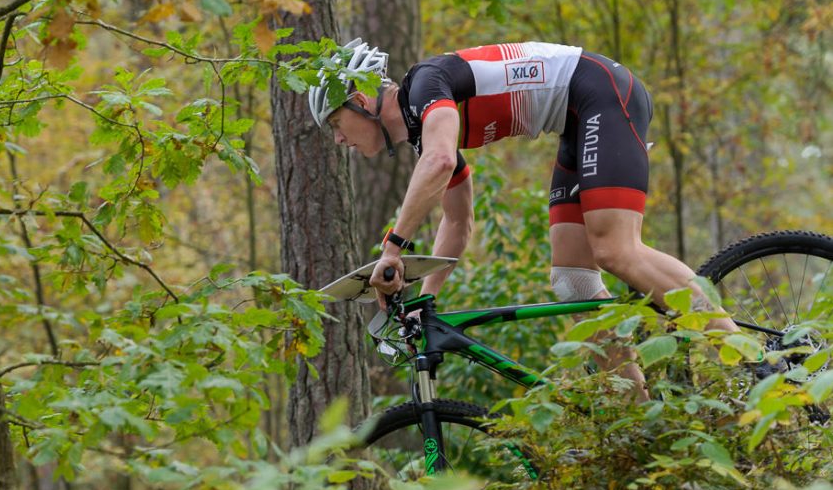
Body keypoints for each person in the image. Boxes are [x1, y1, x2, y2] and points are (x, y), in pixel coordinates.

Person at [307, 38, 738, 399]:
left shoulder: (424, 86)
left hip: (601, 93)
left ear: (360, 101)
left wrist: (393, 248)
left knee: (615, 250)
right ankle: (637, 412)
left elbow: (439, 162)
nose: (339, 138)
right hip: (576, 119)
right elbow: (458, 223)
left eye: (335, 124)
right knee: (574, 282)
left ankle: (746, 362)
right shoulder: (427, 129)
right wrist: (426, 300)